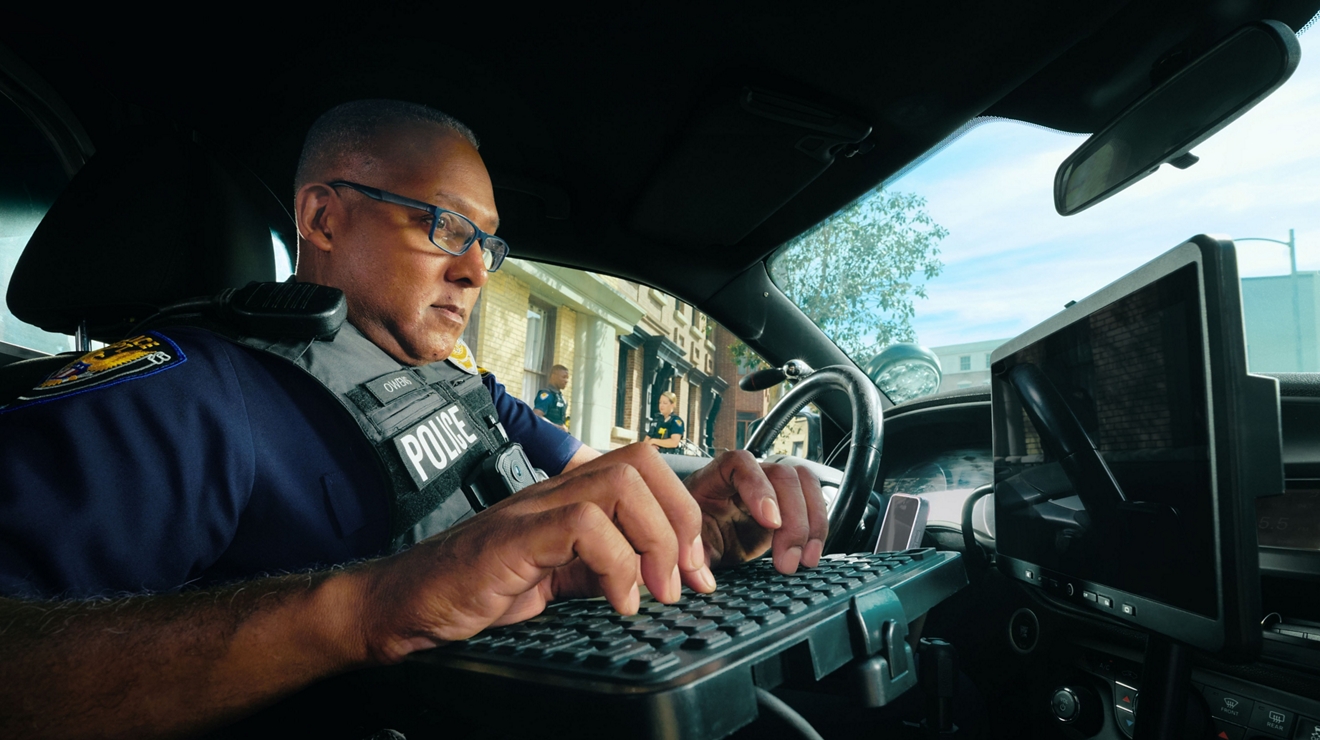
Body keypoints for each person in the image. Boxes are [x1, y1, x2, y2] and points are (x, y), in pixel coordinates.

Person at [0, 100, 829, 739]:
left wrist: (708, 523)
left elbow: (597, 490)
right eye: (444, 225)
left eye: (488, 244)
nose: (475, 271)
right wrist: (365, 608)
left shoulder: (467, 388)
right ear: (325, 219)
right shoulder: (183, 395)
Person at [533, 364, 570, 431]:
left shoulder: (561, 397)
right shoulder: (546, 394)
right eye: (564, 377)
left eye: (567, 378)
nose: (566, 380)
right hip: (545, 436)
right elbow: (537, 415)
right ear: (553, 377)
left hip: (558, 437)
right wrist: (557, 427)